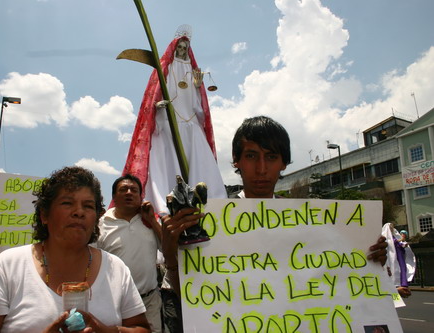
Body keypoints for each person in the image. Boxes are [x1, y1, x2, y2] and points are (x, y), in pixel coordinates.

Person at [161, 116, 388, 296]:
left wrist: (370, 261)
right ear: (236, 160)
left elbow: (336, 284)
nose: (261, 169)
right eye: (251, 156)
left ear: (284, 163)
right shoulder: (207, 223)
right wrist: (171, 255)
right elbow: (193, 296)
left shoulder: (310, 223)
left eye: (271, 157)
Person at [0, 166, 150, 333]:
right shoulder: (9, 266)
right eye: (67, 203)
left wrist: (107, 331)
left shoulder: (116, 269)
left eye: (88, 206)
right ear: (44, 215)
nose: (79, 212)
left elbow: (141, 328)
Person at [121, 25, 226, 216]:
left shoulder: (193, 71)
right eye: (180, 48)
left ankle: (203, 203)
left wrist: (197, 86)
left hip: (191, 125)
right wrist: (160, 111)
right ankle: (168, 205)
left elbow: (199, 106)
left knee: (200, 167)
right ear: (174, 47)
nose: (182, 52)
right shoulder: (165, 68)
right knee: (169, 165)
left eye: (186, 49)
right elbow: (154, 97)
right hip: (169, 124)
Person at [97, 175, 162, 333]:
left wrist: (153, 221)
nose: (129, 193)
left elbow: (168, 248)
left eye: (134, 190)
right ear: (114, 196)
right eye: (123, 189)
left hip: (149, 302)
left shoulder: (150, 220)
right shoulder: (100, 225)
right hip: (115, 303)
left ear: (141, 197)